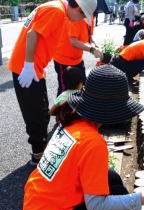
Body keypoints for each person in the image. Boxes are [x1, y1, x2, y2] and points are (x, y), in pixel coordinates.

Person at [21, 65, 144, 210]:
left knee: (112, 177)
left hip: (37, 208)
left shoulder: (70, 123)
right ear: (112, 110)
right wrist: (142, 199)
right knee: (119, 200)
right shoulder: (93, 143)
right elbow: (96, 207)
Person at [7, 0, 97, 166]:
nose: (79, 21)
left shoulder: (56, 9)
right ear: (77, 7)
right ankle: (38, 155)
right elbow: (32, 35)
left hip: (34, 66)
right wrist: (28, 65)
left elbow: (43, 38)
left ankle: (40, 148)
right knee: (35, 113)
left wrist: (39, 63)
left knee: (41, 109)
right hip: (26, 69)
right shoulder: (56, 10)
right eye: (81, 16)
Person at [53, 15, 101, 96]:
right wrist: (92, 50)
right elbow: (73, 42)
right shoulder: (75, 16)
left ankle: (78, 107)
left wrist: (97, 47)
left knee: (82, 85)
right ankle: (61, 108)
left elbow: (90, 38)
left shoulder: (90, 16)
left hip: (78, 58)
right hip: (64, 59)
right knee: (65, 91)